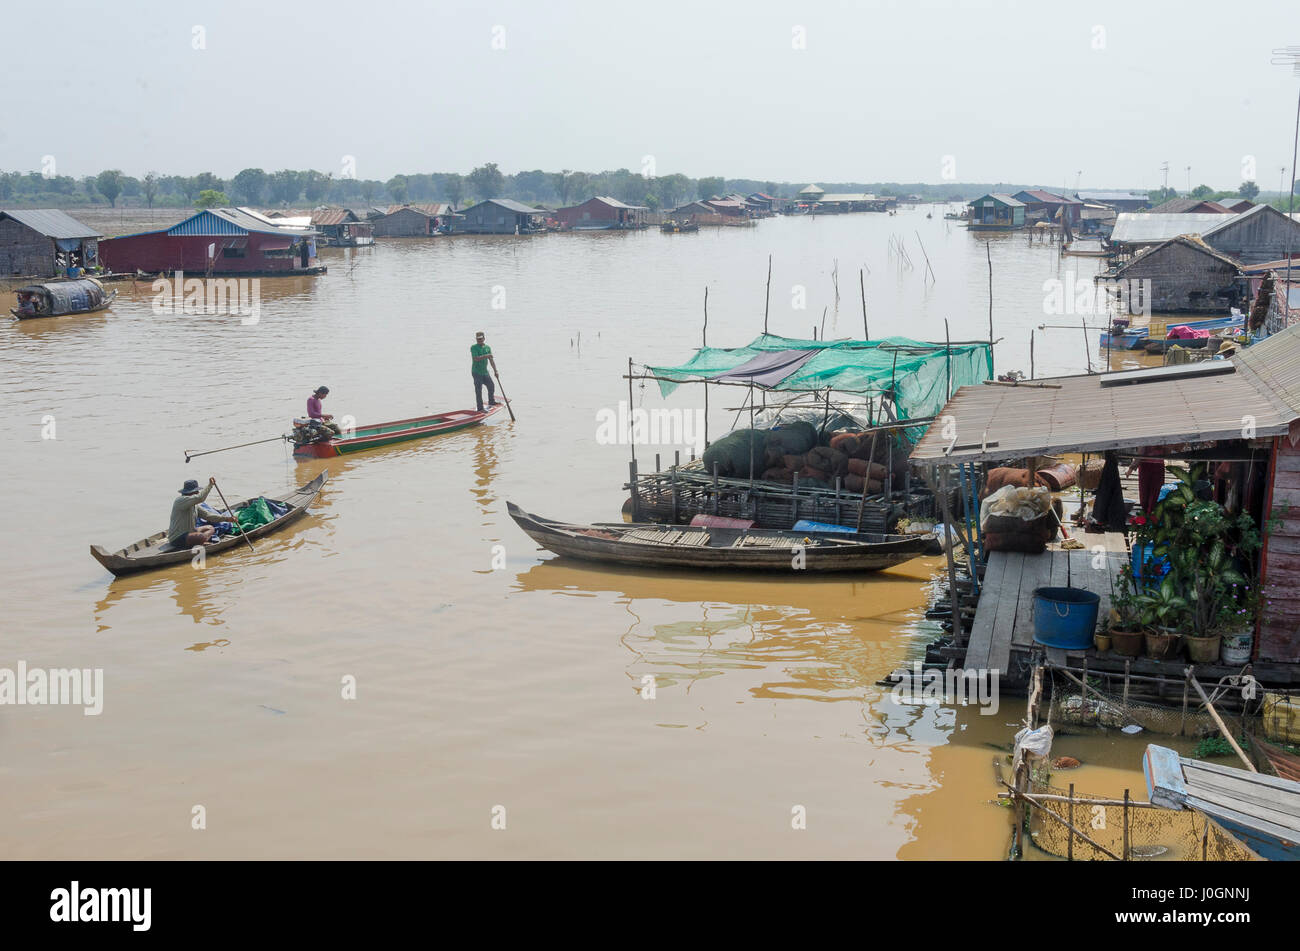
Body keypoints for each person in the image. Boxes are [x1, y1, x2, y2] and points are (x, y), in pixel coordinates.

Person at [169, 478, 229, 549]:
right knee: (201, 536)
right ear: (191, 492)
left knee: (210, 528)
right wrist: (210, 485)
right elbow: (200, 498)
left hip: (190, 532)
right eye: (196, 491)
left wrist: (227, 519)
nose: (198, 493)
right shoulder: (180, 500)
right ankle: (198, 542)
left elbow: (208, 516)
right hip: (178, 538)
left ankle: (198, 542)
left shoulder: (194, 505)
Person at [471, 332, 501, 413]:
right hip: (476, 372)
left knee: (491, 386)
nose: (479, 340)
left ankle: (491, 401)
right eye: (478, 339)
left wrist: (496, 371)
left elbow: (491, 360)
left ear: (484, 338)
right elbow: (475, 359)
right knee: (478, 390)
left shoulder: (487, 347)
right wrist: (486, 356)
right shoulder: (473, 347)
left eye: (481, 338)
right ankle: (480, 408)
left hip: (485, 372)